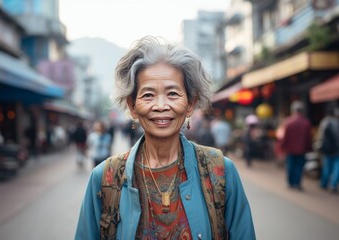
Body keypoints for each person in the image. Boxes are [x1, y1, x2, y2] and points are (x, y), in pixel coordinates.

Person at [75, 36, 255, 239]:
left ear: (190, 104)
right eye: (148, 95)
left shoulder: (221, 171)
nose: (161, 105)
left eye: (172, 93)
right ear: (133, 106)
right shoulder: (104, 177)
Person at [281, 101, 312, 190]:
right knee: (299, 167)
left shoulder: (289, 122)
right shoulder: (306, 123)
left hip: (290, 149)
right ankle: (297, 183)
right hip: (302, 149)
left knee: (290, 166)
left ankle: (290, 182)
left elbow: (285, 137)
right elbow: (308, 138)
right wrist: (309, 147)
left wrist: (283, 146)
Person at [315, 103, 339, 193]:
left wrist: (318, 146)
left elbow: (320, 136)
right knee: (337, 168)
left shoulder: (324, 122)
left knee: (327, 167)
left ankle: (324, 183)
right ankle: (333, 184)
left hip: (327, 149)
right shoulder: (336, 123)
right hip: (336, 150)